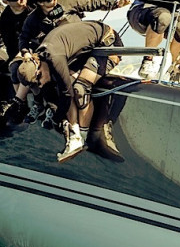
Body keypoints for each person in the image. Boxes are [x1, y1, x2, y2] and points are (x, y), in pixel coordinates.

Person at [17, 21, 122, 162]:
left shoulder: (54, 59)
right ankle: (75, 136)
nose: (40, 84)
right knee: (66, 85)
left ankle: (80, 139)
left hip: (109, 42)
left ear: (38, 68)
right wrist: (60, 118)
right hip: (85, 49)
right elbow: (55, 92)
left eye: (39, 80)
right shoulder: (42, 59)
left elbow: (67, 95)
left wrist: (57, 118)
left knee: (80, 88)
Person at [19, 0, 130, 53]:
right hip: (62, 53)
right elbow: (23, 38)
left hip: (82, 44)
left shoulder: (67, 1)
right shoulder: (32, 19)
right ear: (40, 3)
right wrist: (25, 53)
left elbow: (91, 4)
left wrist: (116, 4)